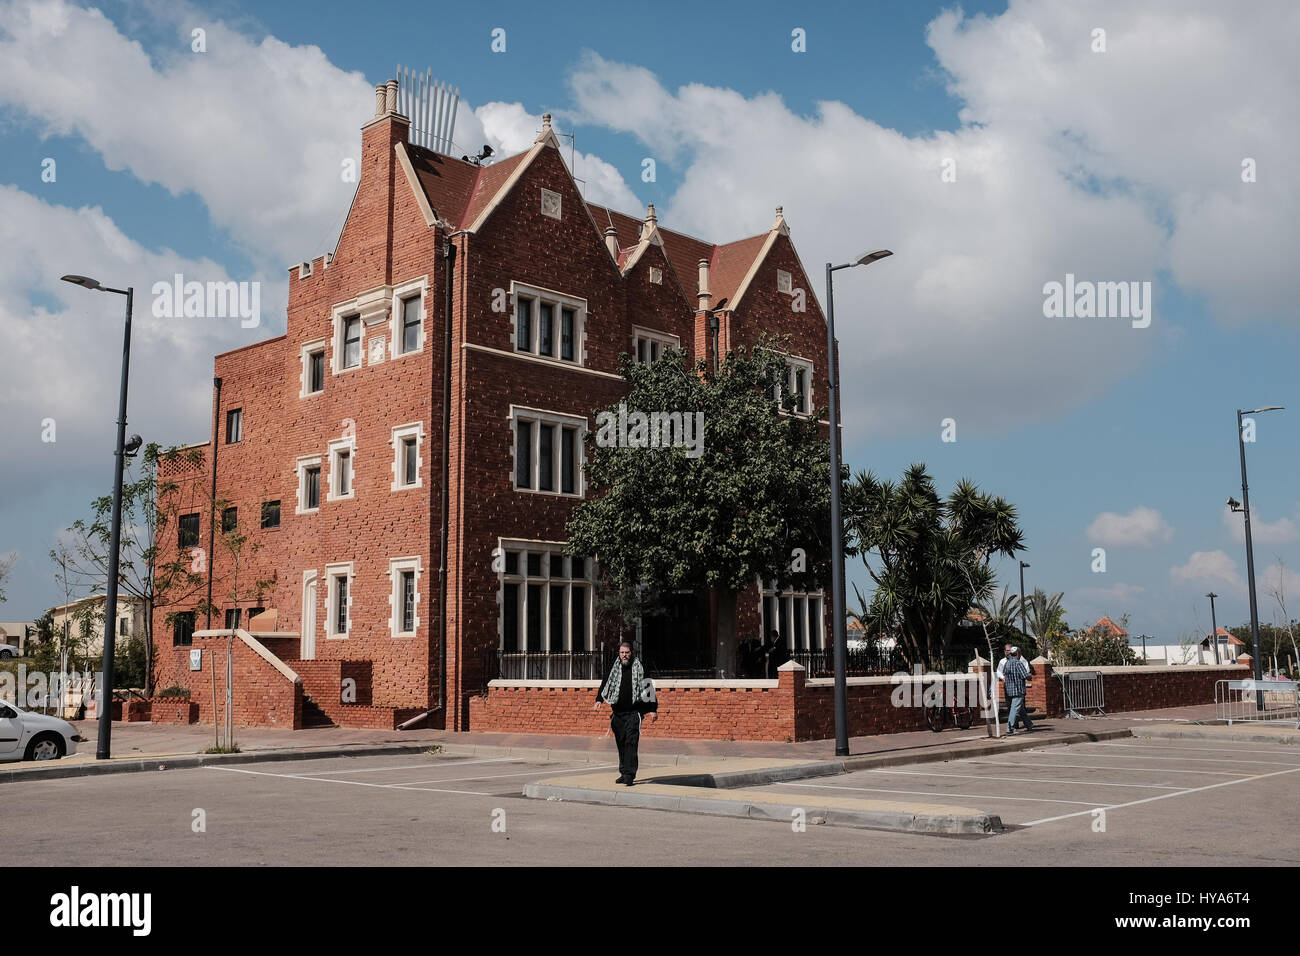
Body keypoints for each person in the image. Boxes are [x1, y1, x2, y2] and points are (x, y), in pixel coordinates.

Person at [593, 641, 658, 785]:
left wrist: (653, 709)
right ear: (619, 653)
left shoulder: (640, 667)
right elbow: (605, 683)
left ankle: (630, 774)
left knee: (631, 743)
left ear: (631, 653)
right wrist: (599, 700)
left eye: (627, 653)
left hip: (634, 712)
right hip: (618, 713)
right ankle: (623, 772)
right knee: (621, 743)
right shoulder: (614, 667)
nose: (624, 655)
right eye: (622, 653)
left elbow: (648, 686)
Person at [1000, 646, 1034, 735]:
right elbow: (1025, 676)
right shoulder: (1018, 663)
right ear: (1018, 654)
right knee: (1014, 709)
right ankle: (1010, 727)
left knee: (1021, 709)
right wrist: (1030, 675)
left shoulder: (1007, 663)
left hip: (1009, 690)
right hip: (1018, 690)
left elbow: (1004, 675)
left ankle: (1029, 725)